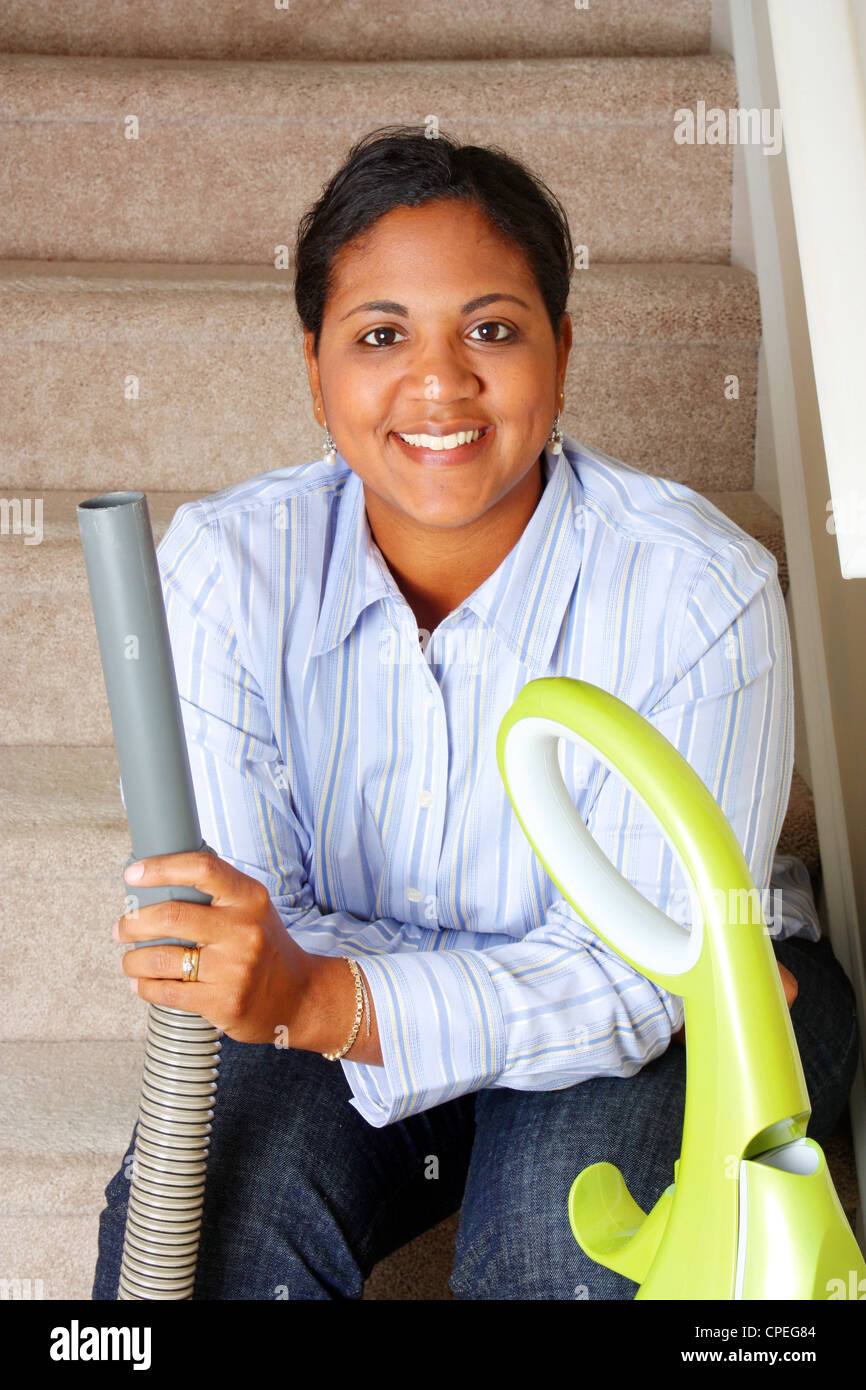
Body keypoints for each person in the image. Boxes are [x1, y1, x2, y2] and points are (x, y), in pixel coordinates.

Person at [92, 125, 860, 1301]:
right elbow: (256, 935)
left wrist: (326, 994)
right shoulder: (221, 569)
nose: (440, 383)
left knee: (552, 1257)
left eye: (490, 329)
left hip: (671, 1016)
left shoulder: (702, 591)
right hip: (368, 1008)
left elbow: (650, 978)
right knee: (207, 1239)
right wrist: (315, 996)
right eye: (381, 335)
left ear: (561, 347)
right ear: (313, 367)